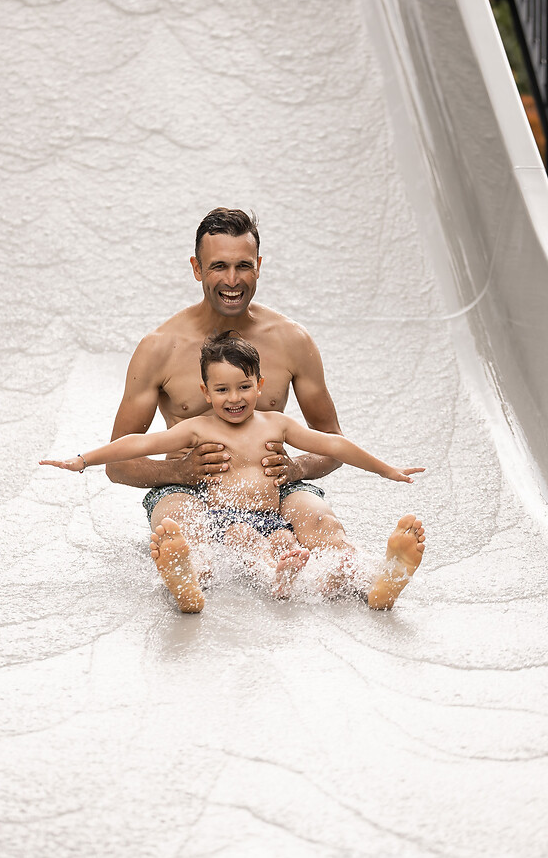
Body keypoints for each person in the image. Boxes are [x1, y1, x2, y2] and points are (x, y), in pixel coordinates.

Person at [99, 207, 424, 605]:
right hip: (188, 489)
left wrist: (298, 467)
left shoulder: (291, 340)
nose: (232, 280)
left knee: (321, 523)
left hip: (273, 485)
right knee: (182, 527)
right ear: (197, 269)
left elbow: (331, 441)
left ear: (259, 267)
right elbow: (116, 465)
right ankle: (186, 577)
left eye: (243, 266)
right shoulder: (159, 348)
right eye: (218, 266)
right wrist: (179, 470)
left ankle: (379, 581)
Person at [41, 332, 426, 613]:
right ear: (206, 393)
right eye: (222, 390)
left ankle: (375, 583)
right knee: (248, 541)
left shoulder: (277, 424)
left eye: (244, 386)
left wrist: (384, 469)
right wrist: (83, 459)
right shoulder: (198, 429)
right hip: (226, 519)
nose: (235, 398)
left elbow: (334, 444)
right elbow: (136, 445)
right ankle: (197, 585)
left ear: (259, 385)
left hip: (272, 516)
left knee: (289, 546)